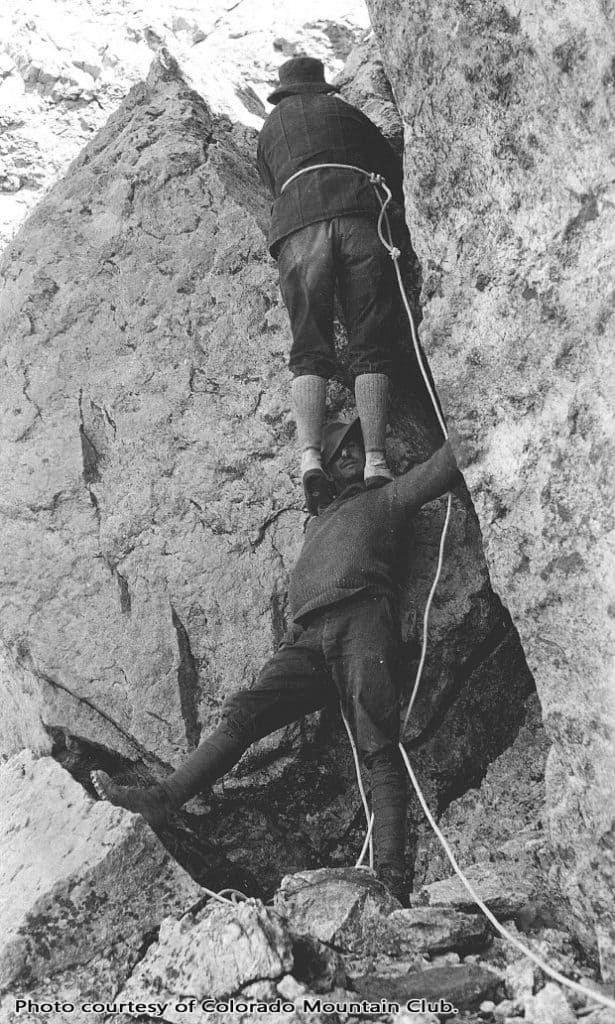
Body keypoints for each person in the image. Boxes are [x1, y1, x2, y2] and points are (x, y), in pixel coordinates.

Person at [91, 423, 460, 903]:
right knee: (243, 712)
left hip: (362, 618)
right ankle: (161, 800)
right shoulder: (316, 525)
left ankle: (390, 883)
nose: (348, 451)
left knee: (379, 748)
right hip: (305, 638)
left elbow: (446, 465)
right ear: (322, 470)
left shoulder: (387, 497)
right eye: (335, 450)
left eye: (354, 443)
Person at [256, 56, 407, 514]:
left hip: (300, 228)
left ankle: (309, 457)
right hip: (361, 216)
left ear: (283, 92)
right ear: (323, 88)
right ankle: (376, 461)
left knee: (310, 344)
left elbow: (272, 186)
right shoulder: (348, 114)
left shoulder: (271, 129)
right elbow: (390, 168)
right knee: (370, 336)